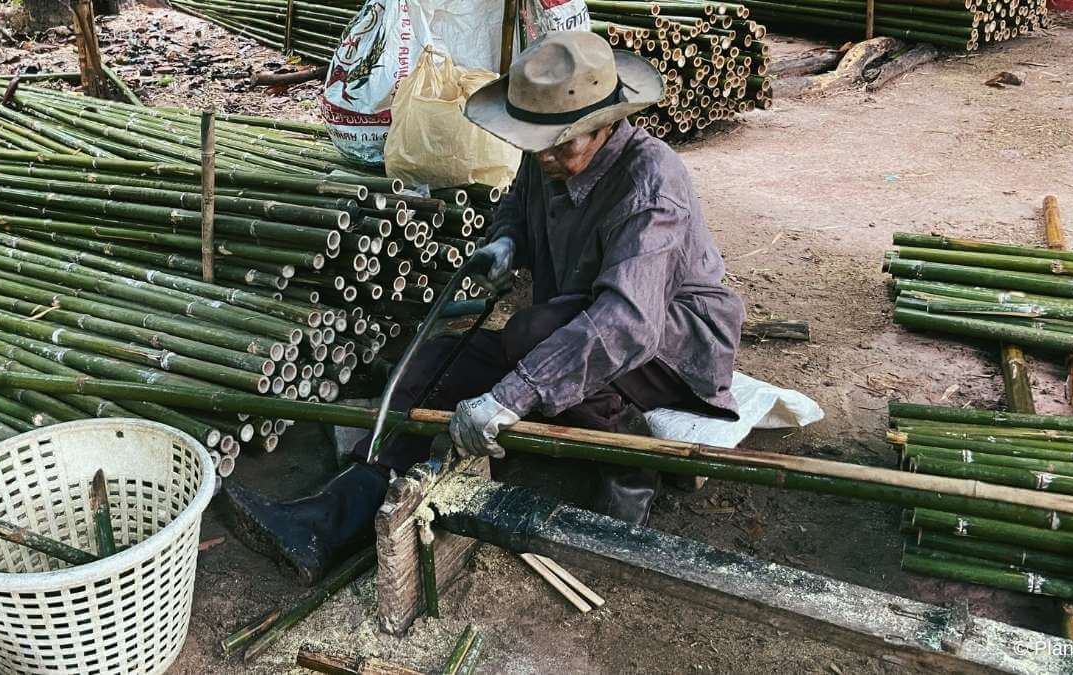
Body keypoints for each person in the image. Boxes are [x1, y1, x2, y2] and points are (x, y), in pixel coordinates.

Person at [222, 30, 745, 585]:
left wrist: (509, 397)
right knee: (433, 366)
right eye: (536, 141)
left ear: (605, 123)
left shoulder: (650, 182)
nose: (543, 154)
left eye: (559, 143)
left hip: (670, 346)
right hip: (574, 324)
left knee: (529, 336)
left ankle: (630, 461)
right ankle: (328, 519)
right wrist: (506, 241)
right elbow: (518, 204)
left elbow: (627, 323)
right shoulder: (546, 154)